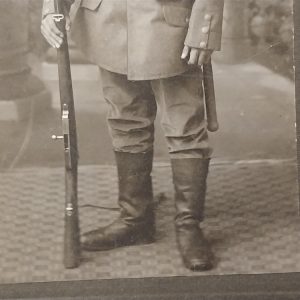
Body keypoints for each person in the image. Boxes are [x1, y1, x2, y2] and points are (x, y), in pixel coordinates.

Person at [41, 0, 224, 271]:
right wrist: (50, 9)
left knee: (184, 129)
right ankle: (135, 220)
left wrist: (204, 27)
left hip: (170, 23)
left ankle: (189, 227)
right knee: (125, 121)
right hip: (109, 22)